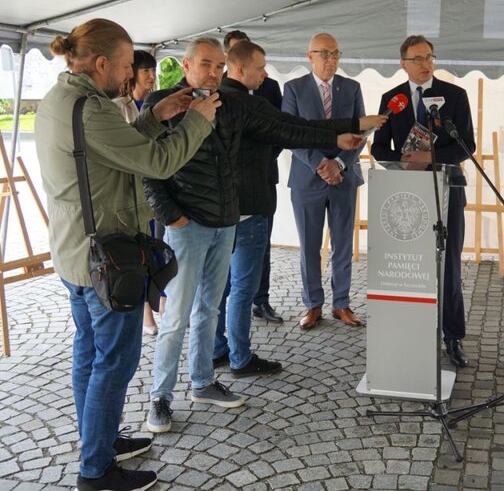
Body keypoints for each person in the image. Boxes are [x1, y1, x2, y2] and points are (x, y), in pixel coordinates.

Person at [143, 37, 382, 434]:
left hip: (225, 222)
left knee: (208, 308)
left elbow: (289, 127)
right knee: (177, 315)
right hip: (187, 227)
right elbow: (148, 167)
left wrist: (350, 128)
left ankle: (202, 382)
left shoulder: (232, 103)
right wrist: (173, 217)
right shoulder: (163, 104)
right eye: (206, 64)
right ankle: (160, 397)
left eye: (220, 66)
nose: (214, 72)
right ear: (185, 65)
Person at [35, 18, 218, 491]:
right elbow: (156, 162)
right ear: (100, 63)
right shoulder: (91, 107)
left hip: (77, 252)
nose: (128, 73)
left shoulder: (64, 99)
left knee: (89, 354)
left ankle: (99, 441)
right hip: (107, 259)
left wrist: (154, 118)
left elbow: (103, 152)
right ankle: (96, 471)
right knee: (114, 361)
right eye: (123, 65)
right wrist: (198, 121)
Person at [372, 35, 476, 368]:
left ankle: (453, 337)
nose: (425, 63)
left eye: (429, 57)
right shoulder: (392, 99)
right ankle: (408, 332)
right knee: (410, 265)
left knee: (450, 266)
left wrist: (428, 156)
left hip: (448, 187)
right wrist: (403, 160)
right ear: (403, 64)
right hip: (405, 193)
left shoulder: (455, 95)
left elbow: (466, 145)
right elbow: (377, 148)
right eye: (417, 59)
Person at [283, 33, 367, 330]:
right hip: (308, 178)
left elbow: (361, 132)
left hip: (344, 177)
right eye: (324, 54)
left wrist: (339, 163)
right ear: (310, 56)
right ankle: (312, 304)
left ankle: (341, 303)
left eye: (336, 54)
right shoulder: (293, 89)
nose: (331, 60)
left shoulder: (352, 87)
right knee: (309, 245)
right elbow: (289, 133)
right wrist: (321, 163)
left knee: (343, 244)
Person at [211, 40, 285, 376]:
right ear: (240, 68)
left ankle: (216, 349)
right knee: (242, 287)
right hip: (250, 207)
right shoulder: (246, 104)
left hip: (221, 209)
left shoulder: (213, 101)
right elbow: (292, 130)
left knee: (219, 286)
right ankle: (240, 357)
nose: (265, 73)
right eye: (260, 67)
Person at [223, 31, 285, 323]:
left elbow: (284, 129)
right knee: (228, 259)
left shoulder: (270, 87)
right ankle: (229, 331)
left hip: (263, 178)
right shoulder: (217, 93)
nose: (260, 71)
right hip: (231, 188)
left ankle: (261, 300)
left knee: (261, 246)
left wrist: (263, 157)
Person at [113, 49, 163, 336]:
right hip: (133, 194)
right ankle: (145, 311)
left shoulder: (142, 104)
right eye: (143, 70)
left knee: (153, 249)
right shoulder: (118, 106)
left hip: (149, 193)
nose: (149, 75)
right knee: (140, 254)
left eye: (150, 70)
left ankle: (158, 301)